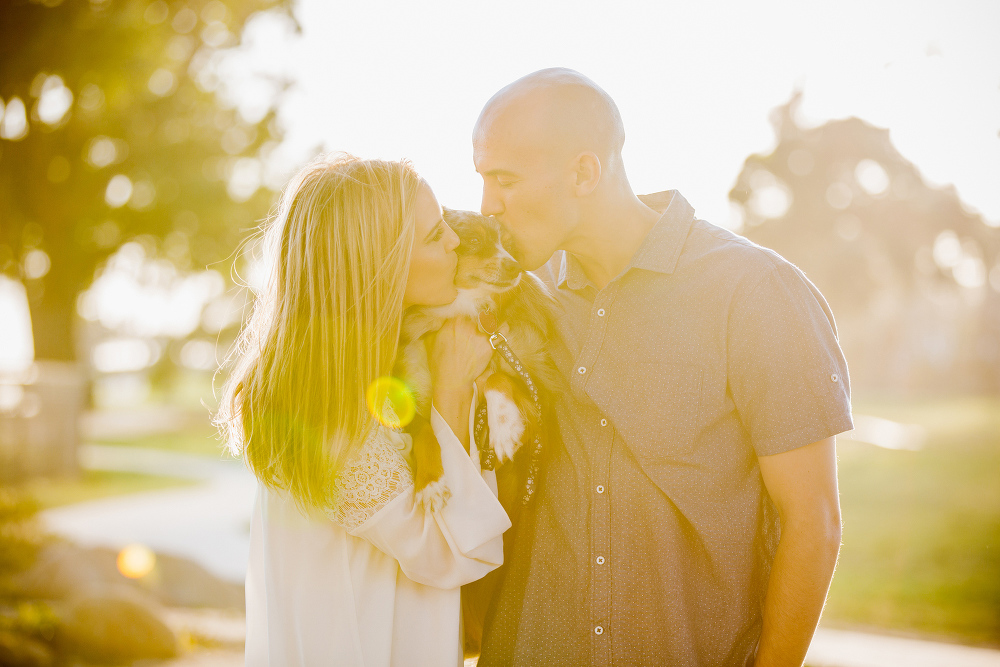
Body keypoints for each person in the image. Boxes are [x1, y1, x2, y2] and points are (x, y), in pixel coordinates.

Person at [472, 69, 853, 667]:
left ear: (584, 172)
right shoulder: (515, 299)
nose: (487, 207)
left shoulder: (755, 292)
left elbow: (813, 520)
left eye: (505, 181)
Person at [215, 154, 511, 666]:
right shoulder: (329, 420)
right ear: (382, 264)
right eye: (436, 235)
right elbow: (450, 553)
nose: (457, 242)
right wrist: (453, 387)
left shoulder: (356, 375)